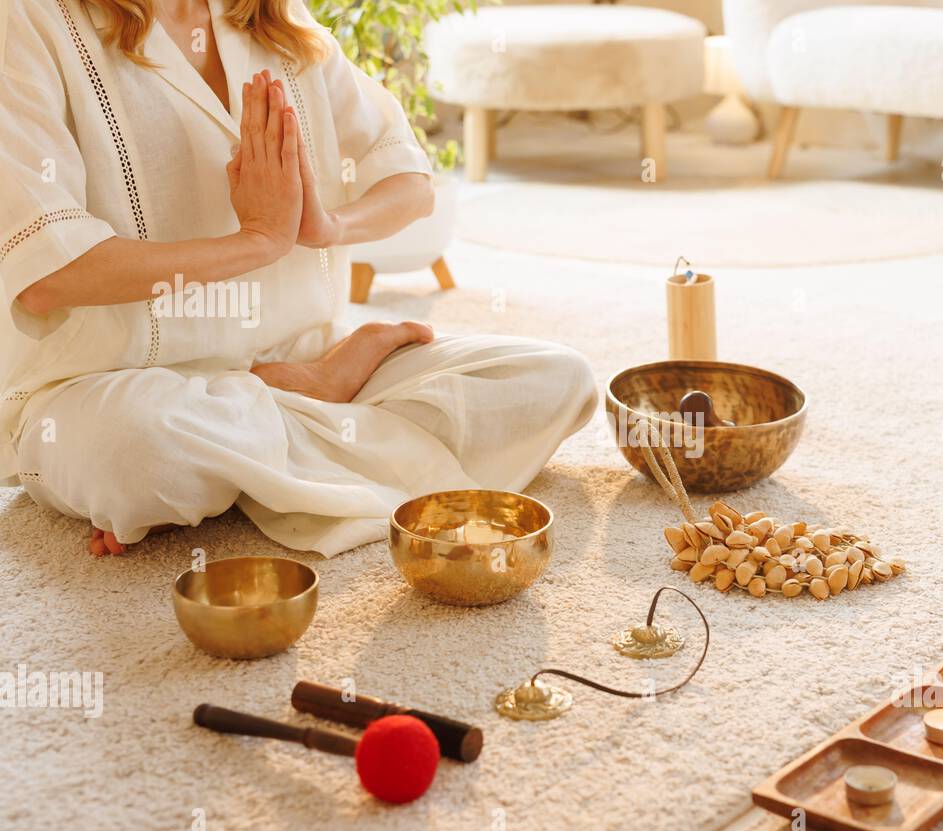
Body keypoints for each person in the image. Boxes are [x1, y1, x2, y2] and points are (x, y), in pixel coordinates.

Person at [0, 0, 597, 556]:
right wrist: (254, 242)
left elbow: (409, 179)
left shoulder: (270, 16)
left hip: (310, 350)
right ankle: (297, 405)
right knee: (134, 453)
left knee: (555, 380)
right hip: (116, 390)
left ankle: (253, 442)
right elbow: (47, 275)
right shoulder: (28, 20)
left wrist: (329, 224)